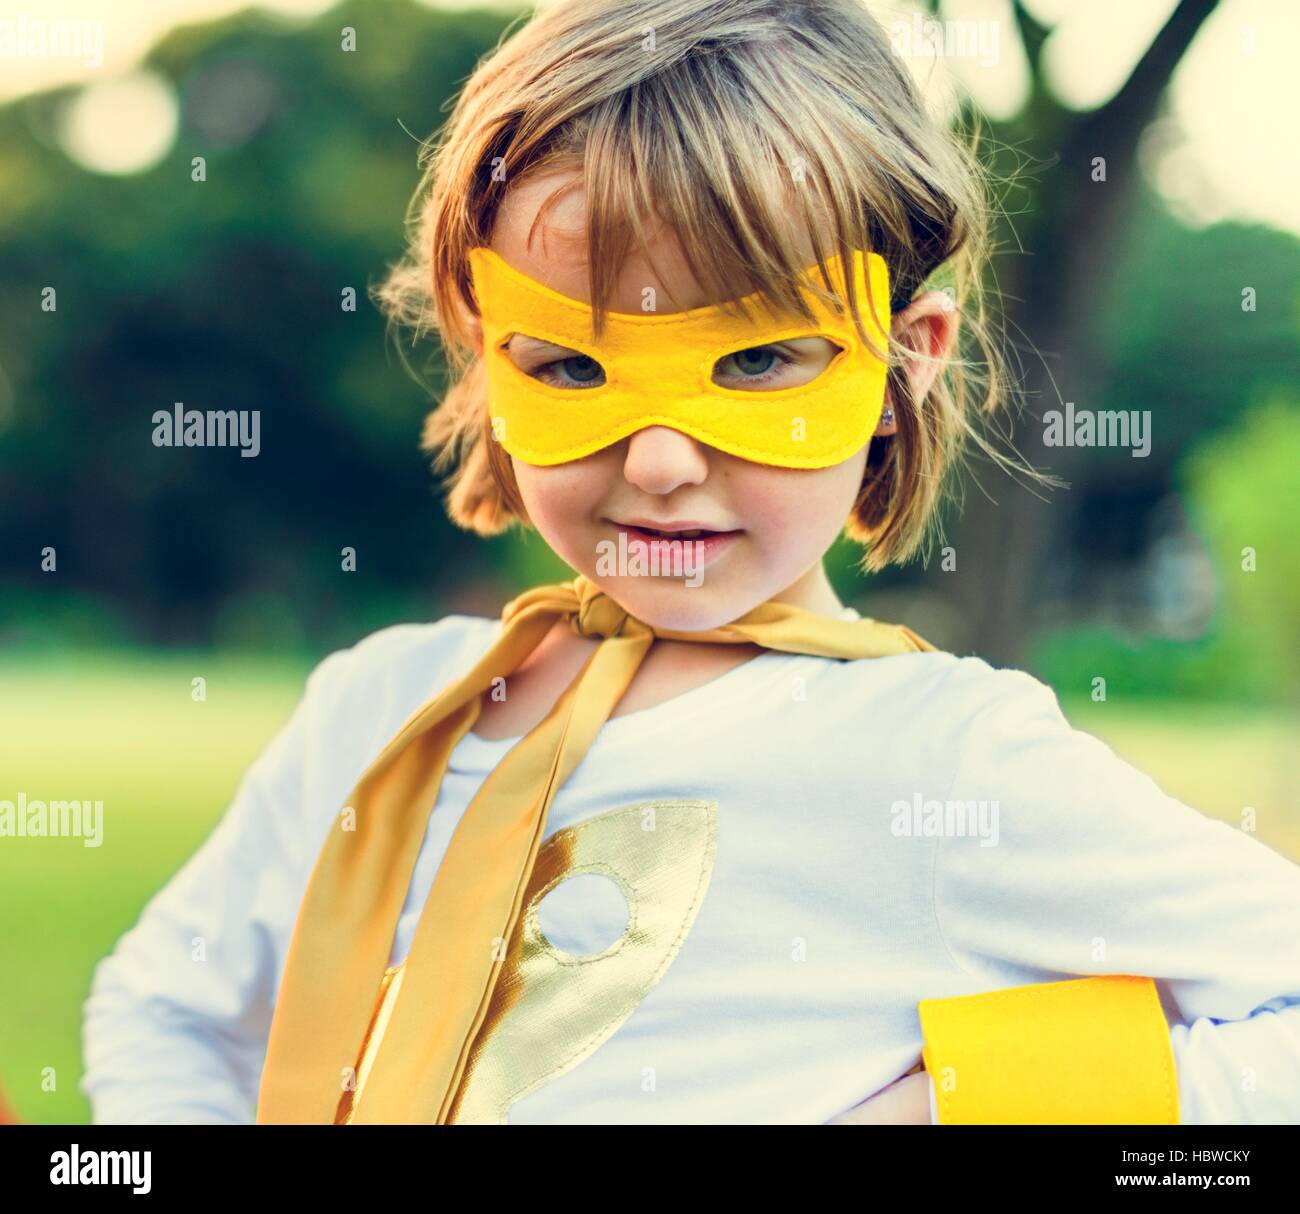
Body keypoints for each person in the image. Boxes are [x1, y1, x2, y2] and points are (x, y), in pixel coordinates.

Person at [82, 0, 1300, 1125]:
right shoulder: (376, 706)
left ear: (903, 360)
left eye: (759, 360)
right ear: (481, 346)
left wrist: (954, 1108)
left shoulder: (943, 755)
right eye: (569, 364)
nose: (660, 459)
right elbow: (168, 1009)